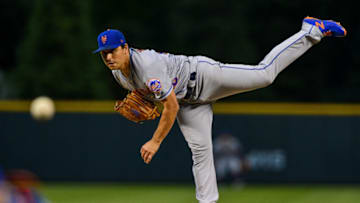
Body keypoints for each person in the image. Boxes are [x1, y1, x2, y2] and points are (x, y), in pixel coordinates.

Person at [94, 17, 347, 203]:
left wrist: (155, 141)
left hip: (203, 77)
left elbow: (169, 105)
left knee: (265, 74)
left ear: (125, 47)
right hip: (190, 103)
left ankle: (311, 30)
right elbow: (159, 98)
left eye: (112, 51)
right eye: (103, 53)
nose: (108, 57)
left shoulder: (146, 65)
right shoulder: (119, 75)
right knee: (200, 152)